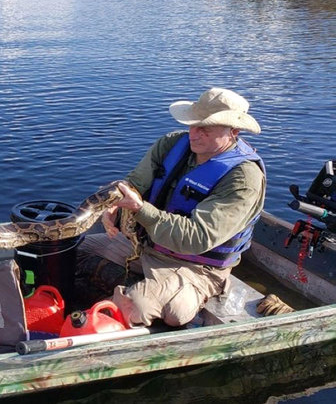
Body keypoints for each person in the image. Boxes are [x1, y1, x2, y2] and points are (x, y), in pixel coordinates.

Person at [75, 87, 265, 328]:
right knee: (71, 250)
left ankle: (178, 296)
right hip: (145, 245)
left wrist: (140, 209)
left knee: (136, 307)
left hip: (197, 266)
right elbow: (133, 184)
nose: (194, 133)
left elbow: (198, 237)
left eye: (205, 128)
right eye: (193, 124)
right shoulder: (172, 144)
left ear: (233, 132)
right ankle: (138, 288)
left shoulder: (244, 179)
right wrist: (113, 203)